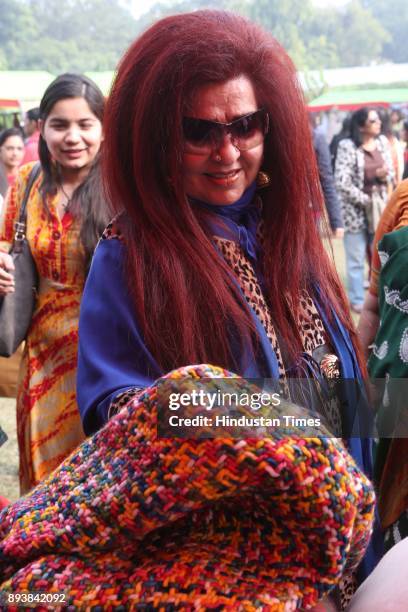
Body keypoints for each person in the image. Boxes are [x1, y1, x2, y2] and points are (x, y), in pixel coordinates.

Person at [76, 8, 377, 599]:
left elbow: (339, 384)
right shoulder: (129, 254)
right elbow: (116, 414)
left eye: (246, 125)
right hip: (231, 566)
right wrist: (250, 422)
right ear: (159, 137)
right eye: (200, 132)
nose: (228, 151)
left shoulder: (283, 232)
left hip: (340, 542)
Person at [0, 73, 108, 493]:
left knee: (95, 480)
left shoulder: (121, 188)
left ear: (103, 128)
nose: (73, 137)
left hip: (103, 357)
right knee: (44, 483)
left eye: (85, 124)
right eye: (59, 125)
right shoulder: (26, 183)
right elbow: (9, 244)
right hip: (41, 357)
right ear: (41, 127)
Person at [335, 107, 394, 313]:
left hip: (379, 209)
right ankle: (358, 300)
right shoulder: (347, 146)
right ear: (361, 125)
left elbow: (391, 174)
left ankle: (383, 297)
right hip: (356, 212)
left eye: (378, 119)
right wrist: (365, 200)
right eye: (373, 120)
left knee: (381, 256)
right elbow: (342, 181)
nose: (378, 123)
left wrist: (383, 174)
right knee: (356, 258)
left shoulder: (382, 143)